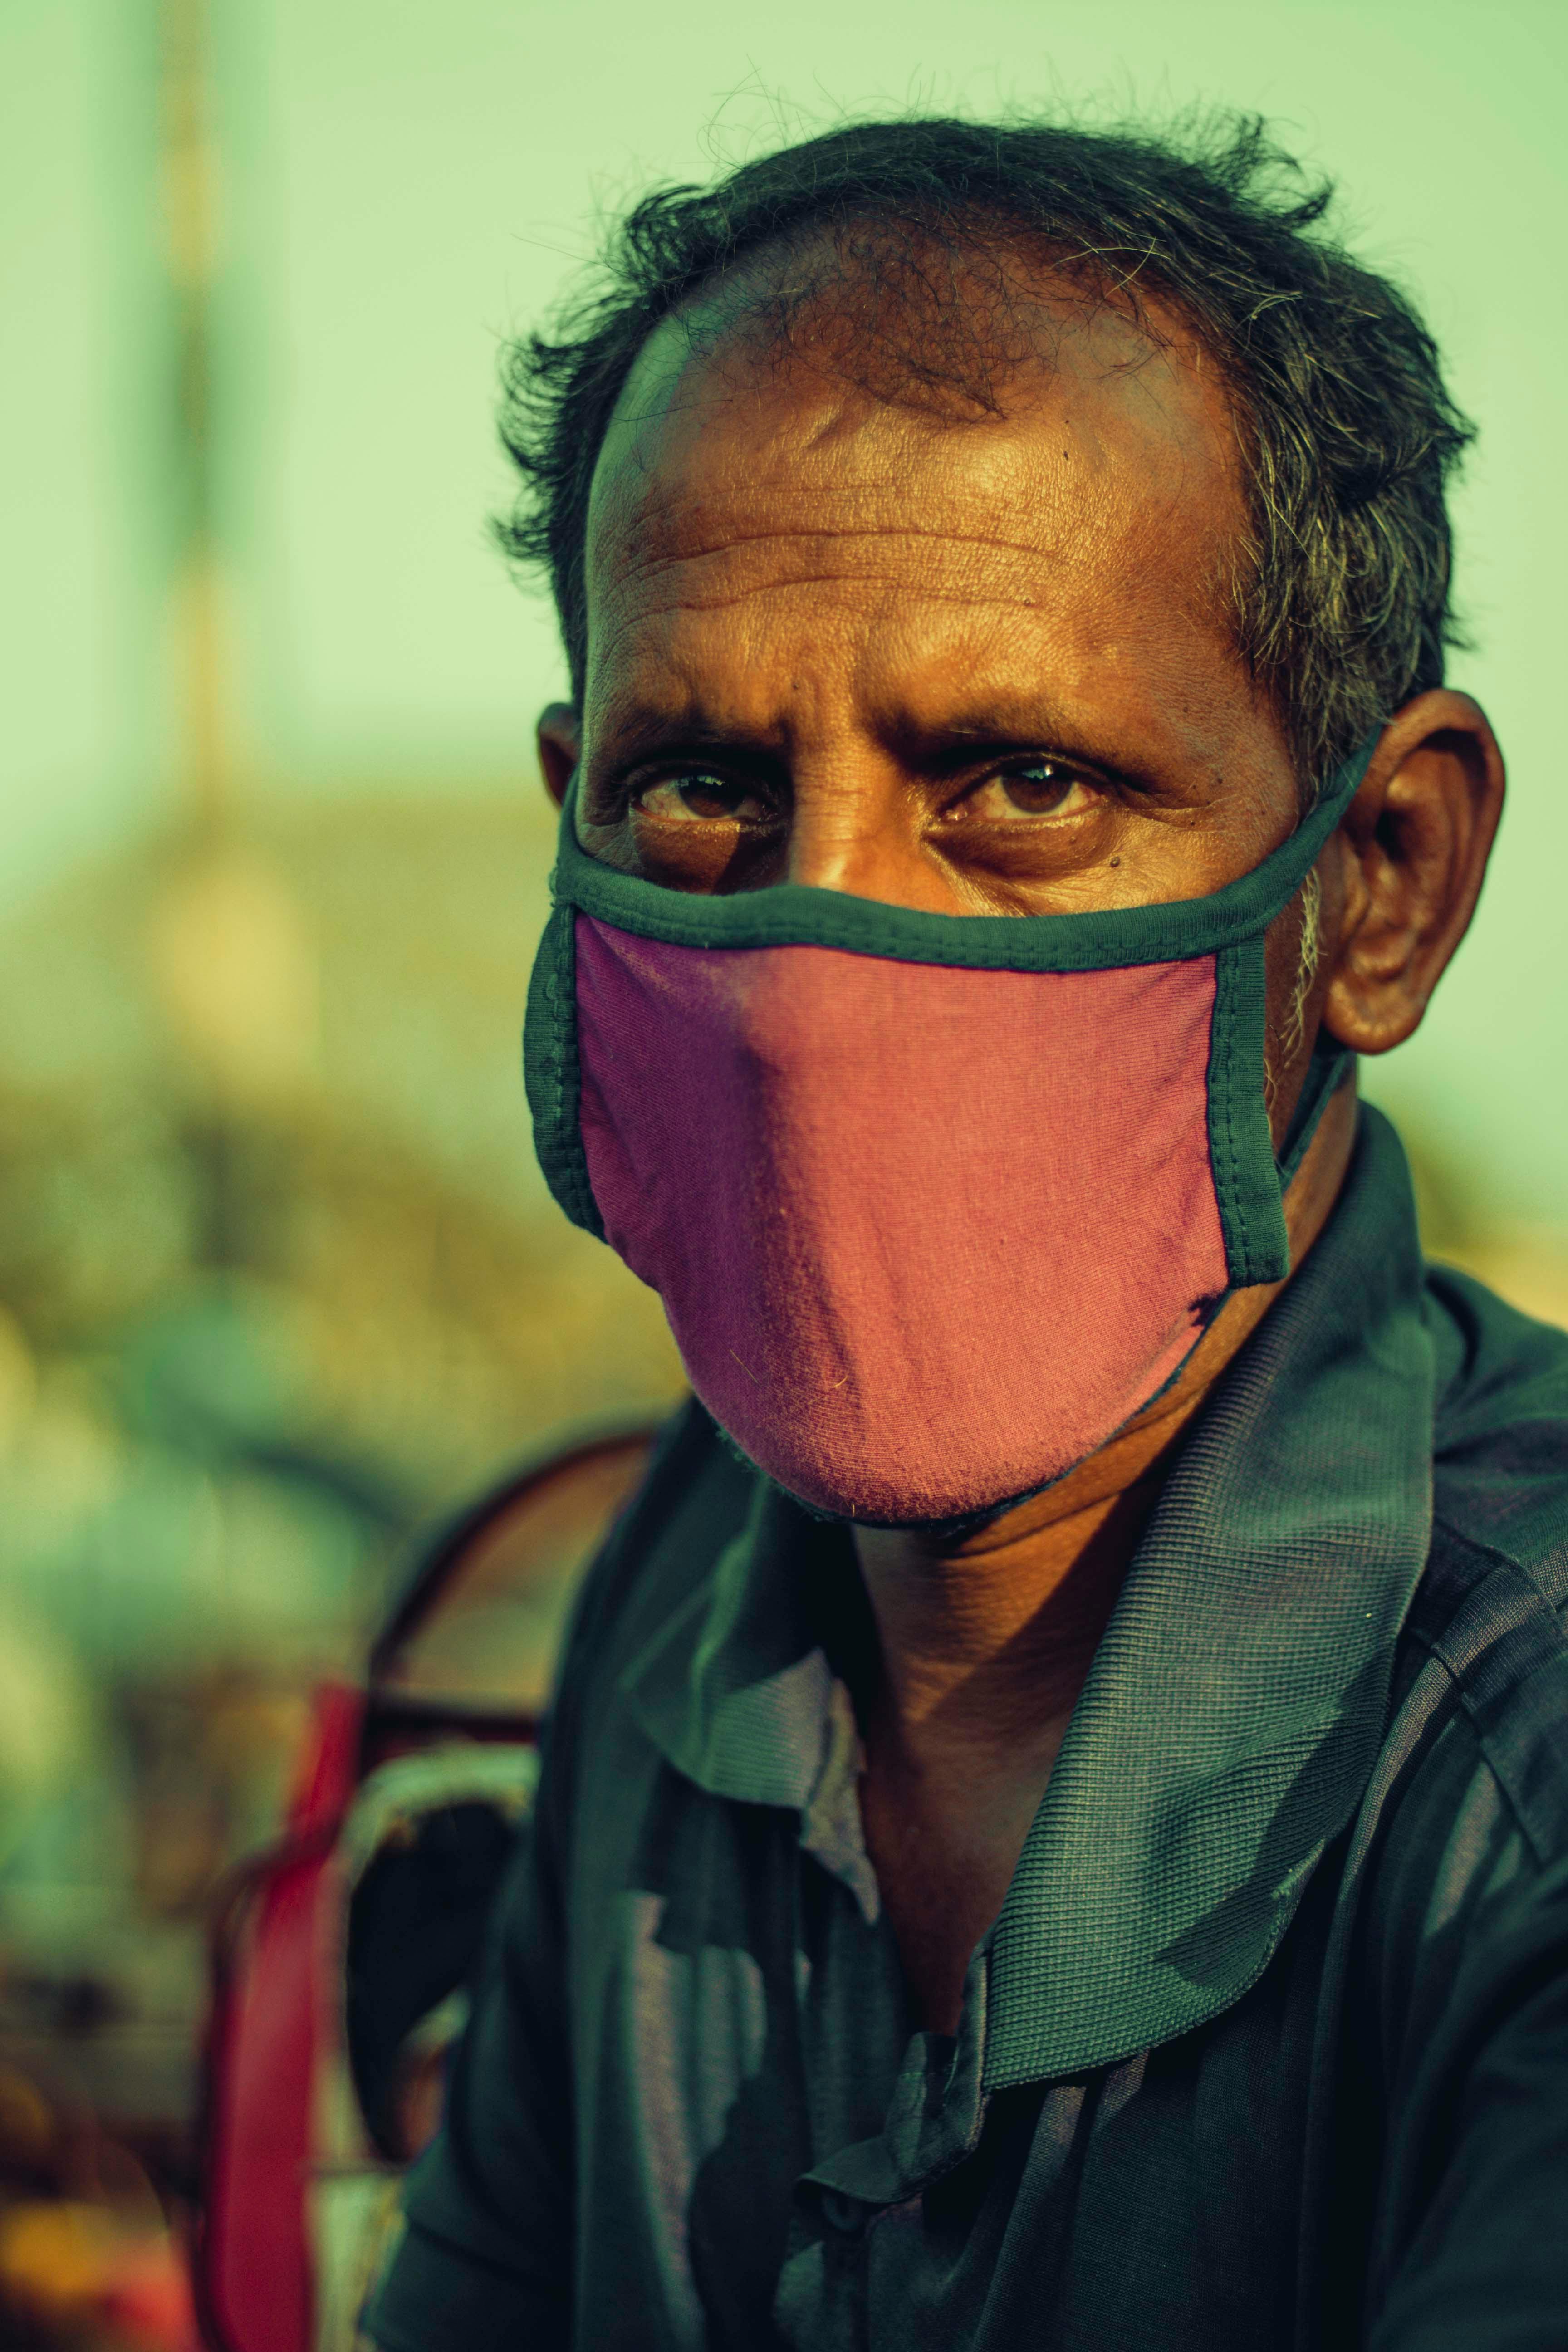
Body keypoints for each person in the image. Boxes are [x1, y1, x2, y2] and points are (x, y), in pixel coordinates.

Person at [366, 115, 1568, 2351]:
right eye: (704, 786)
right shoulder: (671, 1612)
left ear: (1382, 878)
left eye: (1020, 783)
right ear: (578, 826)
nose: (824, 964)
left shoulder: (1524, 1762)